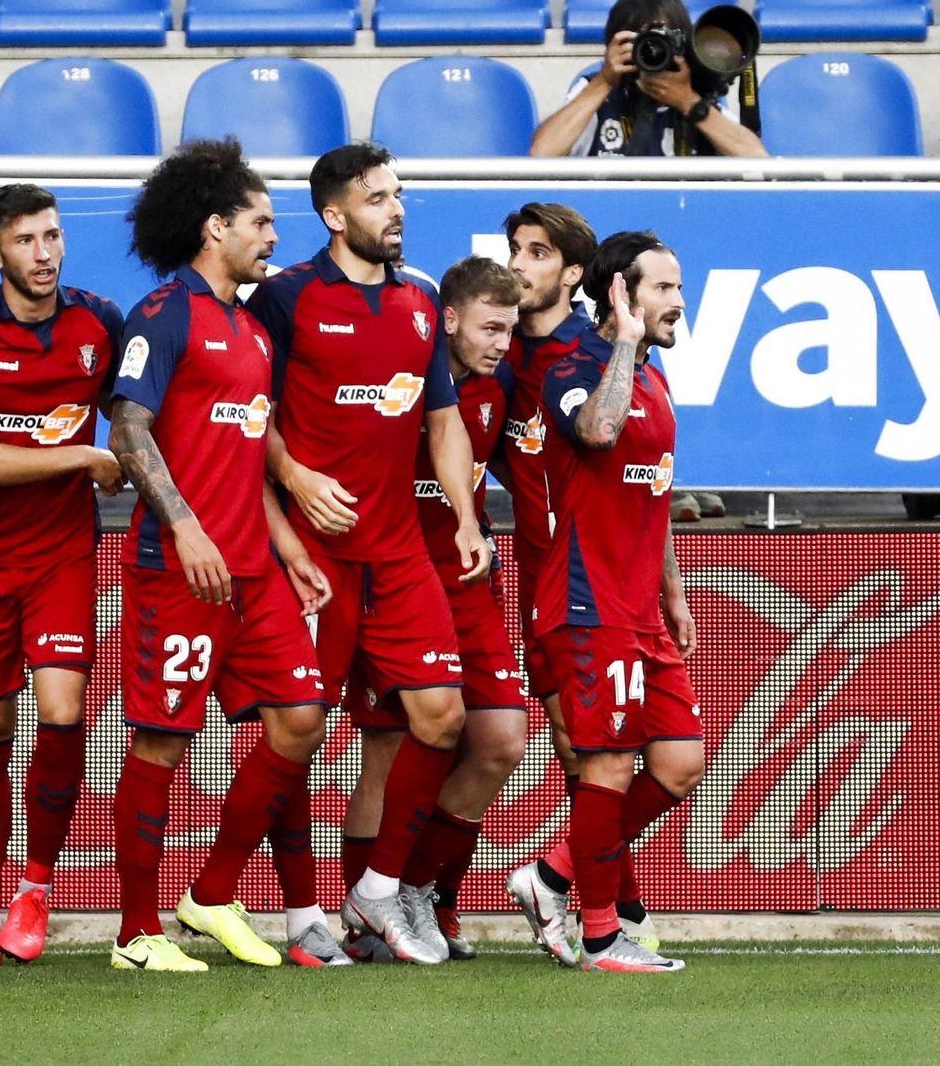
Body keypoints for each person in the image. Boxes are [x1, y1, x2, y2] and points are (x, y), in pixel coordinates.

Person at [105, 140, 350, 973]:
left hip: (254, 569)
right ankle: (136, 935)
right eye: (261, 222)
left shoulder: (249, 327)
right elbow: (128, 430)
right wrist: (183, 525)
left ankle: (210, 894)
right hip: (182, 570)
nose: (273, 238)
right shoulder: (164, 313)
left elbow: (250, 453)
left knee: (301, 721)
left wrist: (285, 547)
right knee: (160, 746)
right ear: (215, 228)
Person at [249, 141, 492, 966]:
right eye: (379, 197)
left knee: (442, 716)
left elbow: (443, 421)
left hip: (398, 554)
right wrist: (291, 471)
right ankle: (299, 909)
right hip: (311, 556)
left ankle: (381, 887)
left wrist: (464, 513)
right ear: (334, 214)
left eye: (399, 193)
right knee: (302, 731)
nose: (396, 209)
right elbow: (251, 410)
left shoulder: (422, 303)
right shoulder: (283, 300)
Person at [0, 183, 126, 966]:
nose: (44, 253)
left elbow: (132, 412)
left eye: (52, 235)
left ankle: (35, 891)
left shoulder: (98, 322)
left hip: (65, 553)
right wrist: (82, 453)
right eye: (26, 240)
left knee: (64, 709)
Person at [339, 257, 528, 962]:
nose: (501, 342)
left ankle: (415, 889)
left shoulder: (502, 385)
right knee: (389, 750)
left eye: (509, 329)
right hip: (392, 582)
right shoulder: (396, 376)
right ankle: (365, 914)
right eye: (489, 327)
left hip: (468, 581)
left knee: (503, 739)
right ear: (447, 319)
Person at [531, 231, 705, 973]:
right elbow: (599, 432)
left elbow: (656, 489)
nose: (679, 299)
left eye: (678, 285)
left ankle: (551, 874)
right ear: (620, 295)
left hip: (641, 605)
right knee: (605, 767)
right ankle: (601, 934)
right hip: (588, 600)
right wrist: (625, 347)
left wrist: (674, 589)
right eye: (663, 287)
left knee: (680, 760)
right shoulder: (570, 370)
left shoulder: (656, 379)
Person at [530, 0, 766, 159]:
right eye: (642, 41)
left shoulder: (698, 97)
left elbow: (759, 163)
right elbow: (541, 155)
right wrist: (604, 81)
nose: (654, 51)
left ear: (684, 45)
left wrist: (689, 103)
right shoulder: (597, 91)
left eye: (664, 40)